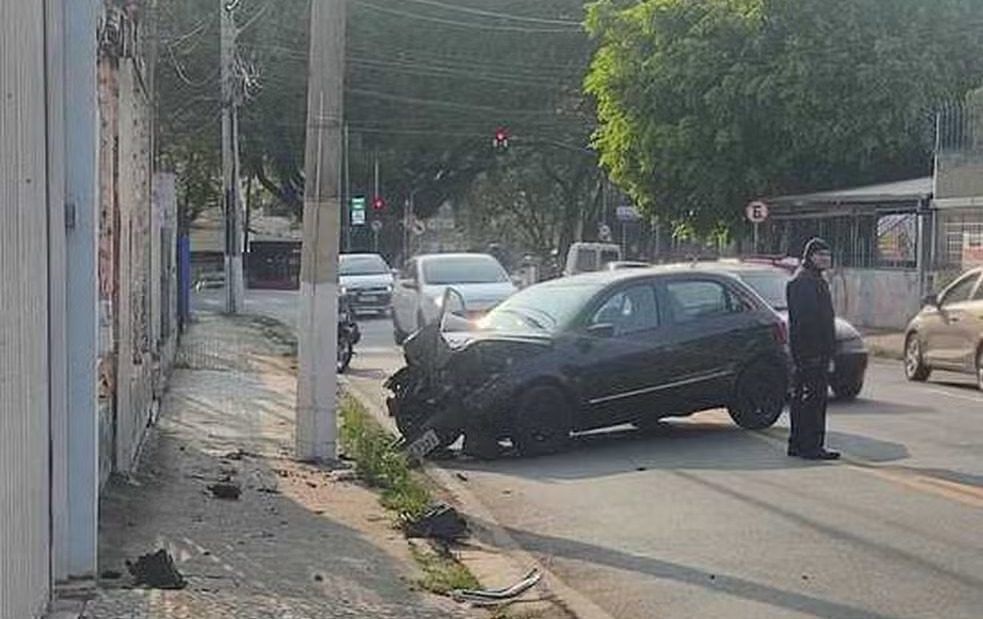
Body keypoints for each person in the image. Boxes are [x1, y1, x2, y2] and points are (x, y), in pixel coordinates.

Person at [786, 238, 840, 460]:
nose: (825, 259)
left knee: (804, 398)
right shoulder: (804, 282)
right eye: (820, 255)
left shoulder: (814, 279)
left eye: (827, 255)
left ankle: (799, 443)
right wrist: (814, 354)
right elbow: (805, 322)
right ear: (810, 257)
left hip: (812, 351)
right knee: (813, 400)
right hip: (811, 352)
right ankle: (810, 445)